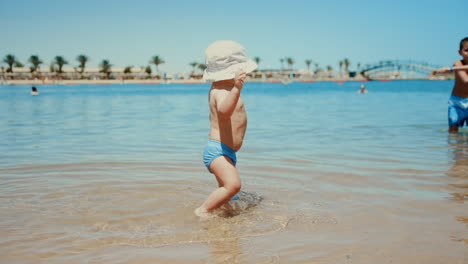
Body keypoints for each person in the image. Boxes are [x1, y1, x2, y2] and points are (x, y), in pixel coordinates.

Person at [194, 40, 257, 218]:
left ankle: (225, 214)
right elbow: (223, 112)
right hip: (217, 152)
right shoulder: (220, 91)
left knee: (228, 192)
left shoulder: (226, 88)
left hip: (227, 152)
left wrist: (234, 88)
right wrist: (237, 89)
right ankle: (203, 211)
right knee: (233, 185)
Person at [434, 37, 468, 133]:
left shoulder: (454, 68)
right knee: (453, 130)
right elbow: (465, 80)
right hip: (457, 102)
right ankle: (455, 147)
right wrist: (453, 68)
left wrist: (450, 69)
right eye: (466, 50)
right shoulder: (457, 63)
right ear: (460, 52)